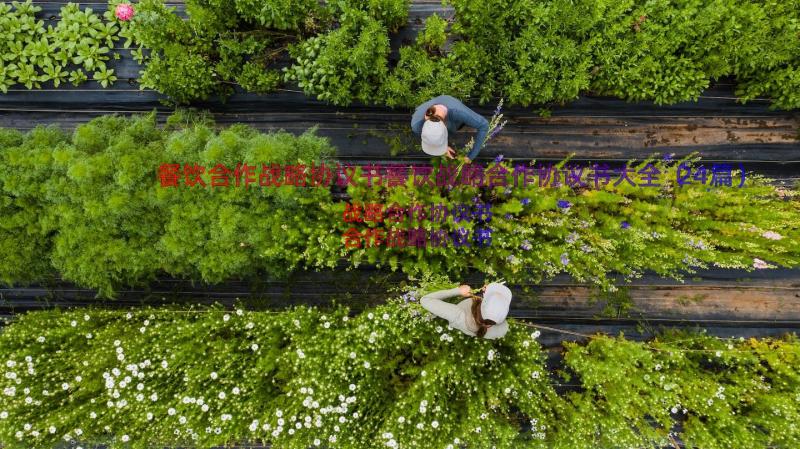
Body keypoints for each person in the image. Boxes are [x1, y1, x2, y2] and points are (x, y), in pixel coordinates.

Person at [410, 95, 490, 163]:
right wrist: (445, 148)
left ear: (445, 126)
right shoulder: (416, 125)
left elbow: (484, 125)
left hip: (452, 112)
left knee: (456, 127)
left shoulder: (459, 113)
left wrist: (470, 156)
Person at [419, 282, 512, 339]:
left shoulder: (458, 315)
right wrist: (484, 293)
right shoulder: (502, 328)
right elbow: (492, 311)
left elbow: (425, 300)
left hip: (456, 314)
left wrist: (458, 291)